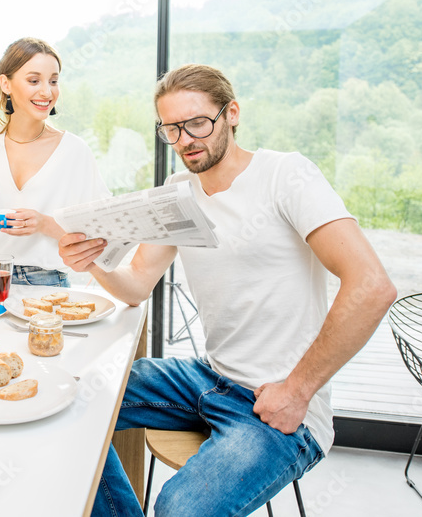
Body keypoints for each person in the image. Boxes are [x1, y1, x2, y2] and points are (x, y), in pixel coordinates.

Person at [58, 64, 397, 517]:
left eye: (197, 123)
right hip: (208, 378)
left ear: (231, 113)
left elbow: (373, 287)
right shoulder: (178, 190)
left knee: (179, 507)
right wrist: (94, 260)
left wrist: (297, 391)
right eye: (172, 129)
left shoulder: (286, 175)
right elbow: (136, 285)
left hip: (278, 405)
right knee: (68, 400)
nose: (185, 140)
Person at [0, 37, 109, 287]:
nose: (47, 91)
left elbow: (97, 236)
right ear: (5, 83)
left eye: (53, 81)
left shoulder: (75, 151)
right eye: (34, 81)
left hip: (48, 281)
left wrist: (43, 223)